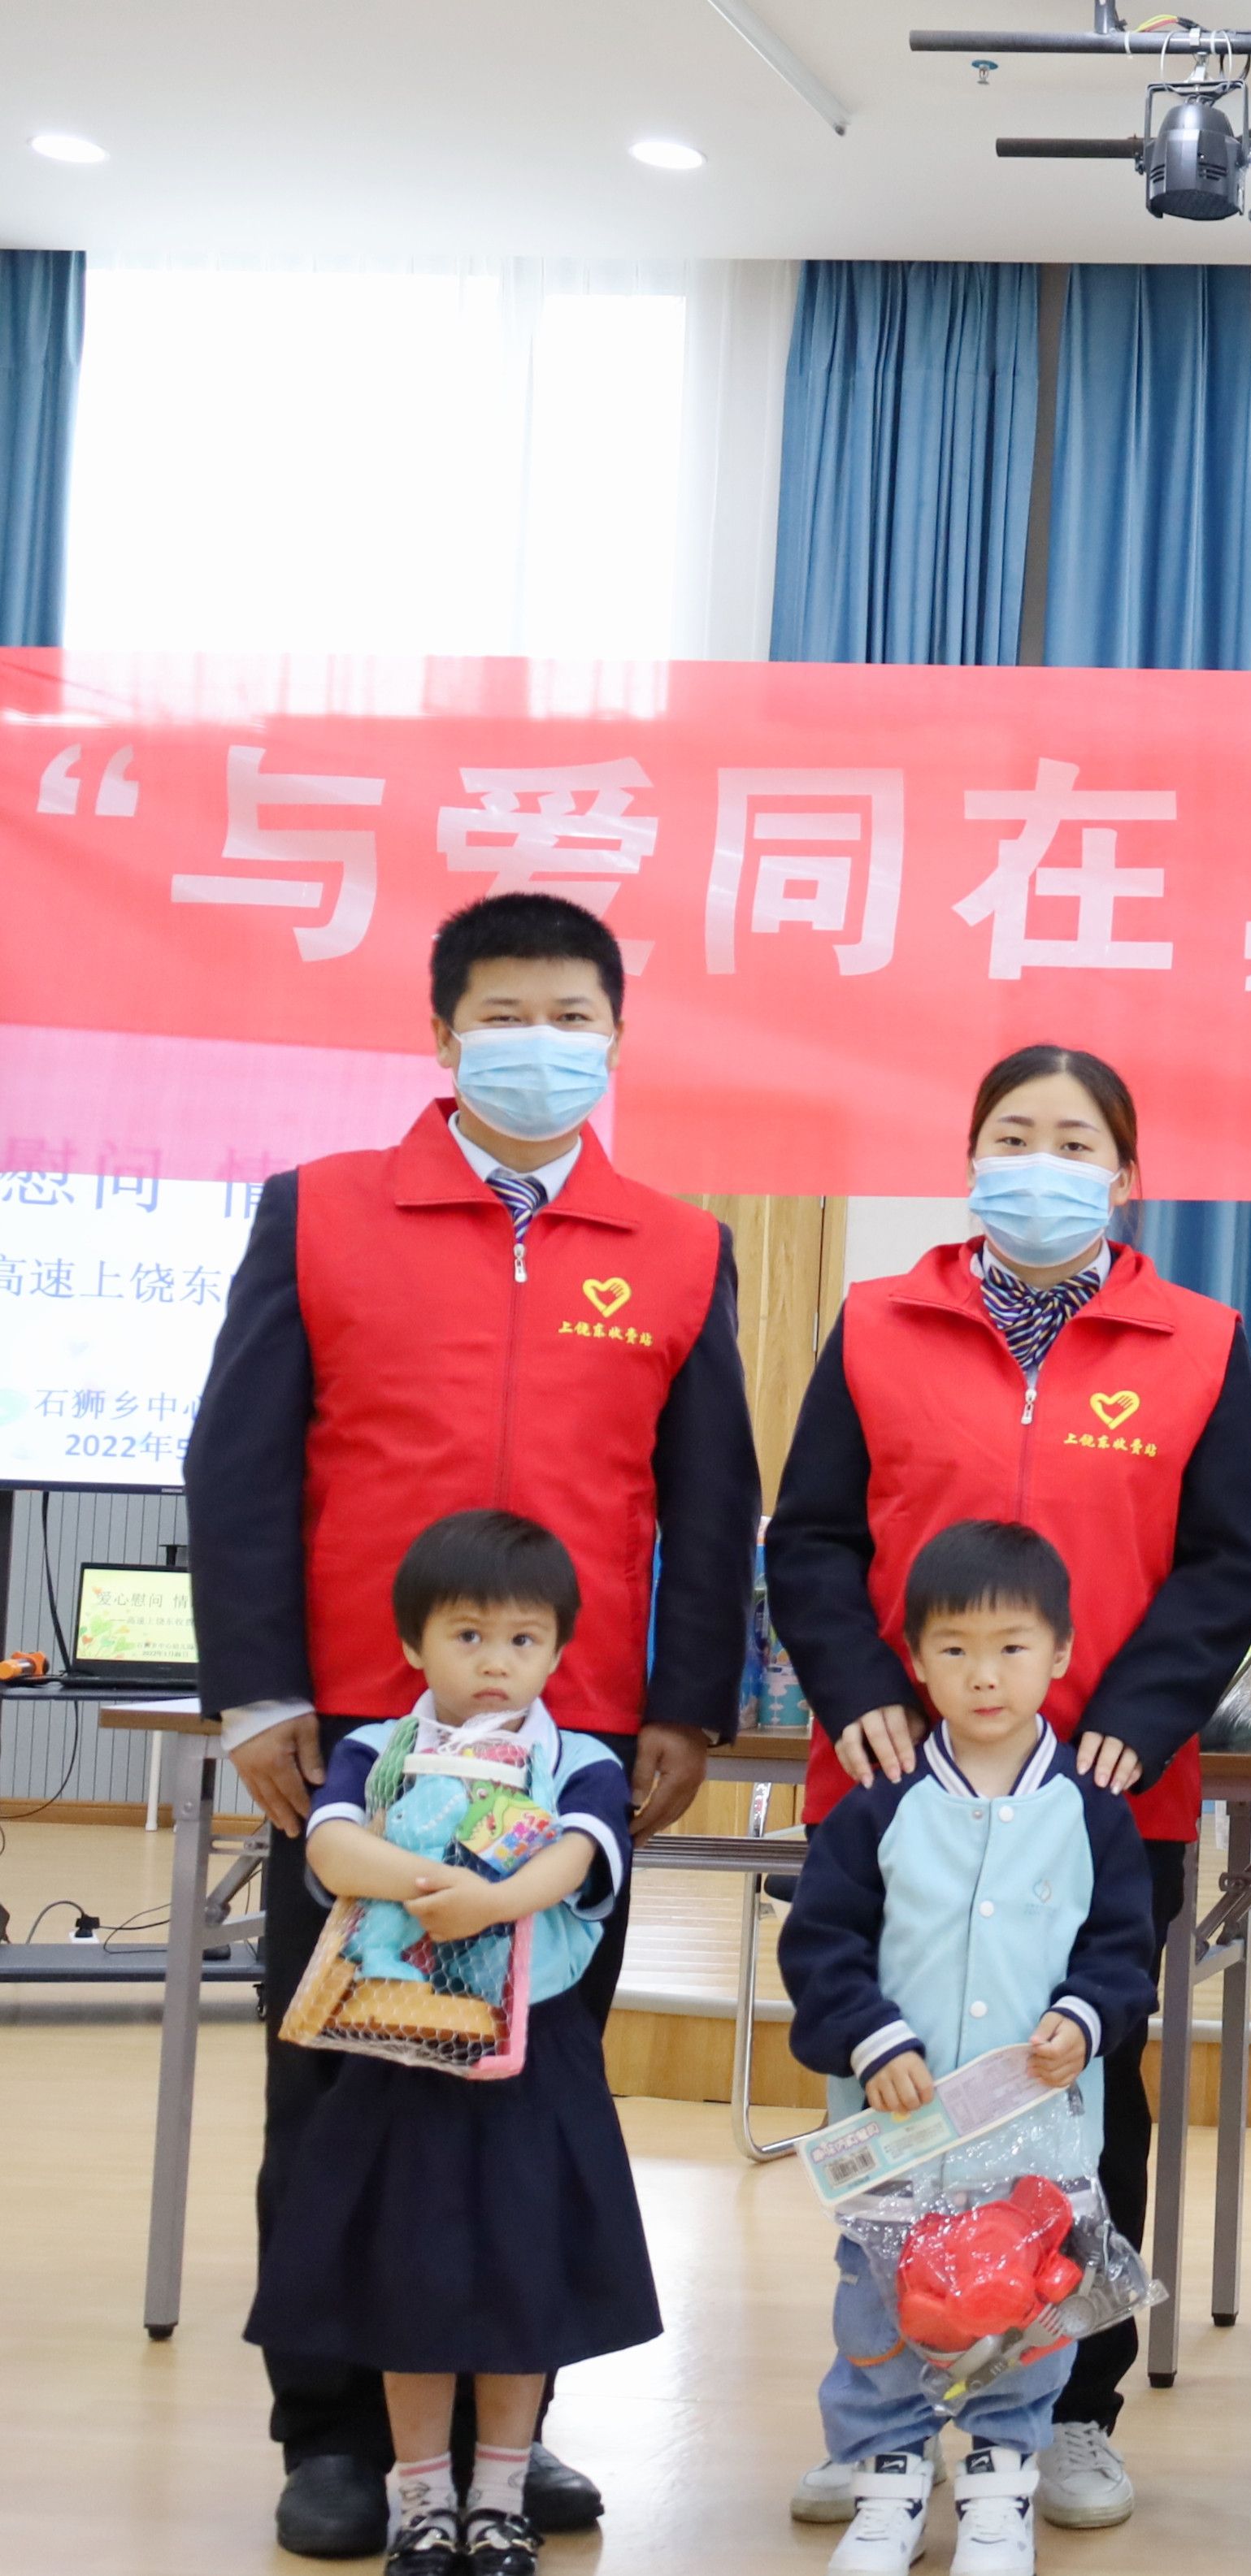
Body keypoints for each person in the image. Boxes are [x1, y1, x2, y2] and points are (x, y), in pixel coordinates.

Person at [193, 891, 759, 2560]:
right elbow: (240, 1465)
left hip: (570, 1758)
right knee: (341, 2084)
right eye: (504, 1013)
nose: (539, 1042)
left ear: (616, 1036)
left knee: (533, 2093)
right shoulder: (320, 1212)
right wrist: (262, 1693)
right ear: (441, 1034)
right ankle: (334, 2434)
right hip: (363, 1747)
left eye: (571, 1014)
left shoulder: (678, 1247)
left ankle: (509, 2439)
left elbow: (708, 1500)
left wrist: (684, 1706)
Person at [769, 1043, 1251, 2535]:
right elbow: (810, 1537)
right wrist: (857, 1693)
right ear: (972, 1156)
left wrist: (1136, 1721)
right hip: (898, 1780)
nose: (1039, 1162)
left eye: (1074, 1141)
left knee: (1082, 2091)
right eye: (1013, 1134)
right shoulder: (878, 1323)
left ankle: (1069, 2413)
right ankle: (882, 2420)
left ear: (1125, 1175)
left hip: (1102, 1790)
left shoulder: (1201, 1339)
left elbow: (1225, 1561)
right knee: (895, 2095)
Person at [246, 1512, 658, 2576]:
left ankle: (501, 2495)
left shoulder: (580, 1760)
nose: (494, 1661)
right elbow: (333, 1848)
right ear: (412, 1642)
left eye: (523, 1638)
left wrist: (493, 1899)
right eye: (467, 1635)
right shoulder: (371, 1752)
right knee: (408, 2272)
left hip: (533, 2057)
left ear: (559, 1649)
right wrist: (441, 1885)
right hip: (395, 2054)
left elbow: (577, 1859)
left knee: (525, 2269)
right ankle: (424, 2499)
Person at [776, 1521, 1163, 2576]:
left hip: (1033, 2145)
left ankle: (1001, 2485)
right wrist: (871, 2036)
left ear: (1061, 1651)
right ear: (915, 1657)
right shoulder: (881, 1802)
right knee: (876, 2309)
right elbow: (820, 1942)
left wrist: (1085, 2016)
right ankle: (888, 2483)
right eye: (954, 1648)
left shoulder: (1091, 1810)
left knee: (1026, 2314)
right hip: (896, 2138)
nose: (984, 1674)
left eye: (1011, 1647)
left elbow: (1123, 1949)